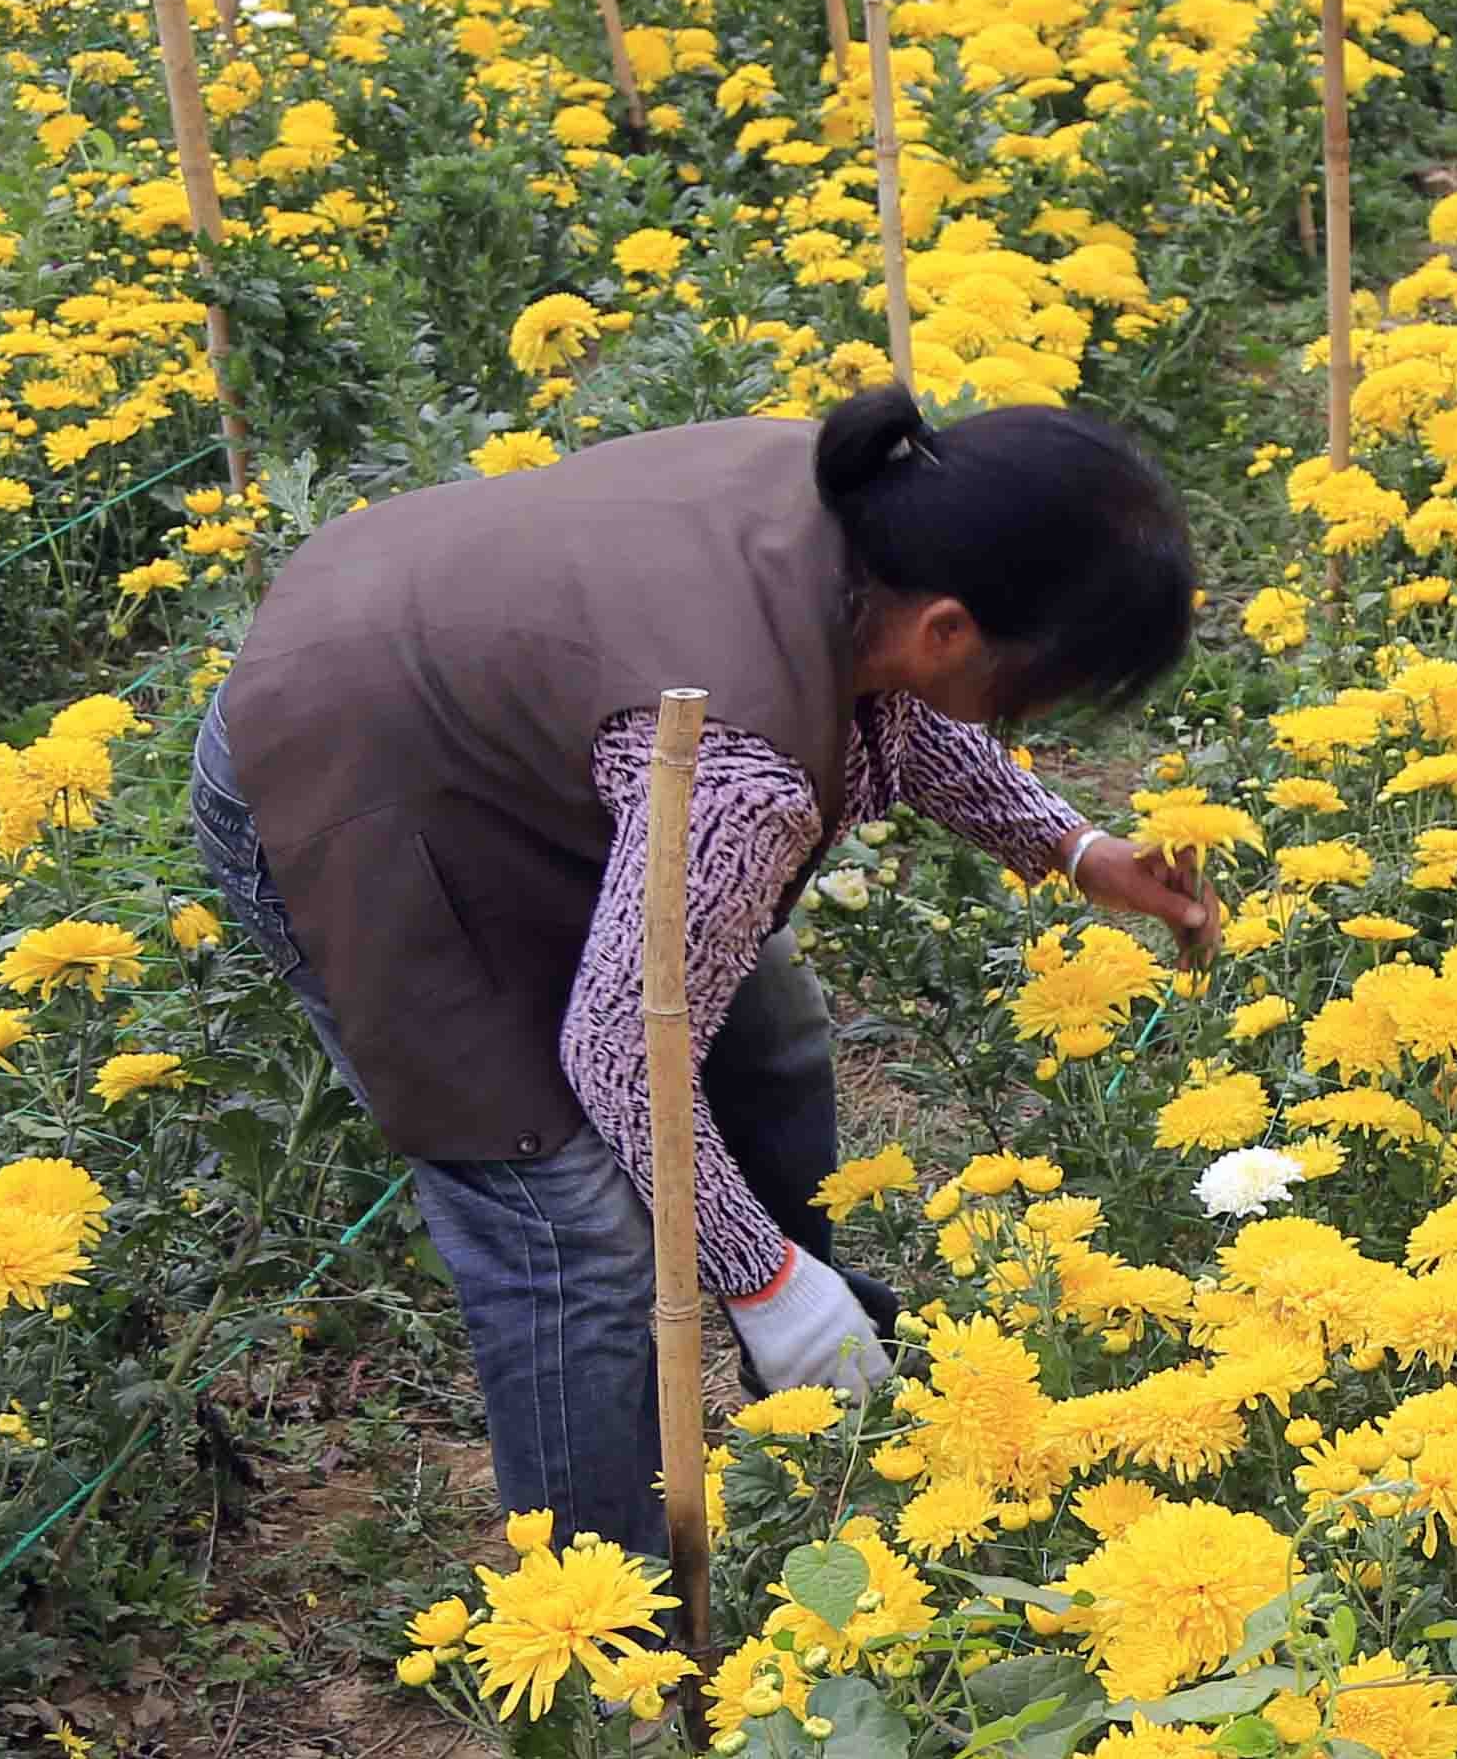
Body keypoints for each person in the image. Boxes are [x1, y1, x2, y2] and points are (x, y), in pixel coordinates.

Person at [187, 390, 1221, 1559]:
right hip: (348, 780)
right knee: (567, 1230)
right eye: (1038, 691)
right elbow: (620, 1056)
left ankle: (825, 1378)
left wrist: (1076, 850)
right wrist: (757, 1273)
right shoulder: (743, 772)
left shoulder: (864, 508)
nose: (1035, 714)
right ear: (948, 628)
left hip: (463, 687)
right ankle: (600, 1615)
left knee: (766, 1033)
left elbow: (895, 704)